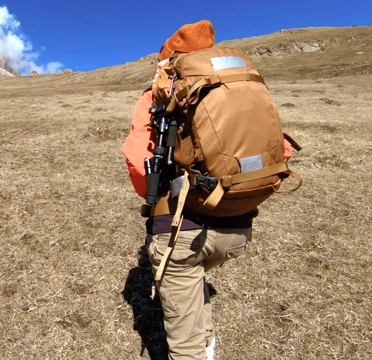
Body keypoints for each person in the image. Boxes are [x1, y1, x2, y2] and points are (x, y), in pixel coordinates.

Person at [122, 20, 293, 360]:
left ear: (167, 61)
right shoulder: (237, 83)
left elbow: (138, 162)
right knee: (194, 283)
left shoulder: (162, 89)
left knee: (184, 338)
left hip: (181, 231)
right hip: (239, 223)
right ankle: (207, 343)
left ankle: (200, 348)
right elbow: (282, 151)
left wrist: (157, 198)